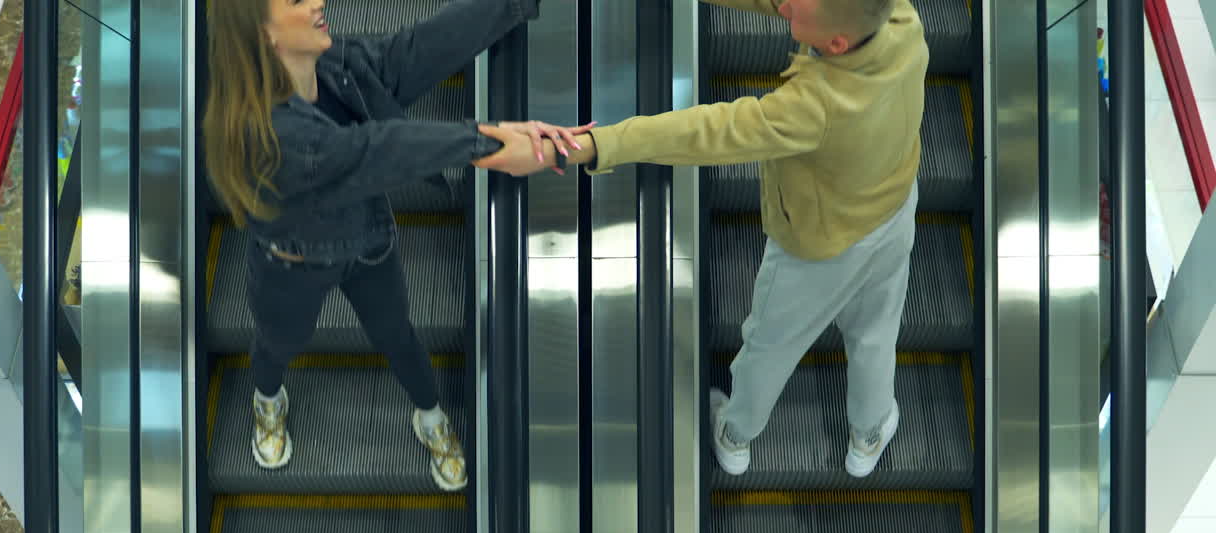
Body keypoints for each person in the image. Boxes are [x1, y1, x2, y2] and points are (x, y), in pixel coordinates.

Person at [481, 0, 928, 478]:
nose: (786, 4)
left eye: (797, 8)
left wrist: (586, 146)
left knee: (770, 343)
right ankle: (870, 430)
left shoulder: (812, 108)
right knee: (876, 332)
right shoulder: (900, 19)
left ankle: (736, 434)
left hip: (820, 246)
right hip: (894, 208)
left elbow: (706, 132)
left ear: (835, 45)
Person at [203, 0, 588, 489]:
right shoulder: (270, 139)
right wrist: (485, 140)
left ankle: (429, 415)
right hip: (292, 266)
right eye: (298, 1)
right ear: (264, 36)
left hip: (369, 243)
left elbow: (412, 52)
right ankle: (267, 399)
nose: (319, 2)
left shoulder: (337, 66)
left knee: (398, 334)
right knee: (279, 342)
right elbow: (374, 150)